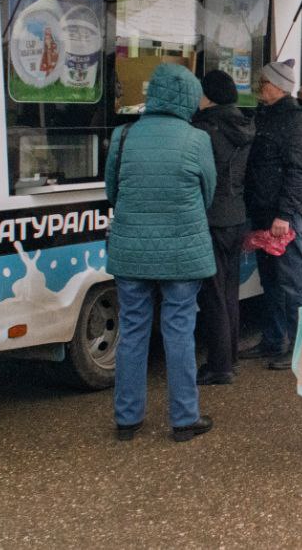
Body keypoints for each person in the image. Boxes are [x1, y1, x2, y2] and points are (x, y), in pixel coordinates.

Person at [104, 63, 216, 442]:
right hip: (183, 251)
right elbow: (208, 192)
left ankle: (127, 419)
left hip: (131, 249)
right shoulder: (197, 139)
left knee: (133, 329)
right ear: (188, 98)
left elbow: (112, 191)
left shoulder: (123, 135)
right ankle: (184, 419)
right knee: (180, 330)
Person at [241, 59, 302, 370]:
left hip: (282, 216)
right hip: (262, 211)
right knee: (270, 280)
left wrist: (285, 213)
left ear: (280, 86)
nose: (260, 88)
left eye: (264, 83)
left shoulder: (295, 120)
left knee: (292, 282)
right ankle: (273, 339)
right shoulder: (265, 115)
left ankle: (300, 346)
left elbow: (298, 171)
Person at [191, 70, 254, 386]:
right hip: (237, 215)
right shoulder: (244, 125)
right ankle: (230, 358)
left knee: (213, 294)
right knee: (229, 291)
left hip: (211, 216)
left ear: (210, 96)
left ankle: (219, 366)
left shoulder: (203, 129)